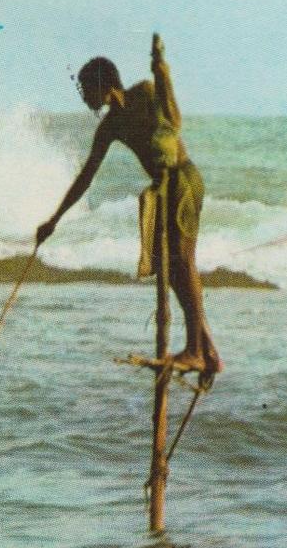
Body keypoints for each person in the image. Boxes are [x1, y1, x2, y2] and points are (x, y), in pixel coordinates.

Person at [37, 34, 220, 377]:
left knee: (183, 261)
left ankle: (196, 350)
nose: (84, 96)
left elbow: (173, 116)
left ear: (104, 85)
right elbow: (85, 177)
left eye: (86, 88)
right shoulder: (109, 126)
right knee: (173, 270)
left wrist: (161, 68)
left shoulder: (146, 93)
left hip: (182, 180)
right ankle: (207, 350)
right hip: (162, 190)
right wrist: (55, 219)